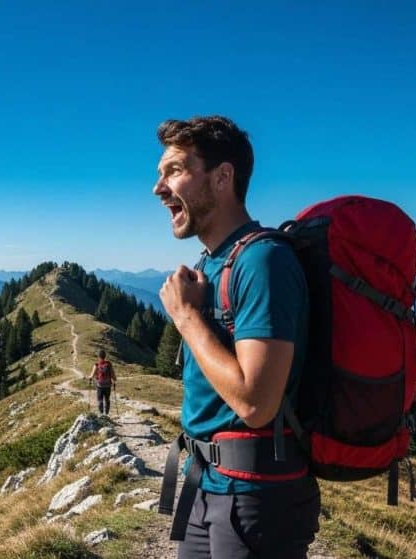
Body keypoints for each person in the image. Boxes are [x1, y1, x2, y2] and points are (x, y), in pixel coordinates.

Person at [154, 116, 320, 558]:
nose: (158, 188)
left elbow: (255, 403)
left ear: (223, 177)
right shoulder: (212, 265)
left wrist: (186, 318)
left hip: (256, 498)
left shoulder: (263, 262)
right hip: (205, 484)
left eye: (174, 171)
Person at [87, 349, 116, 415]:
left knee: (100, 400)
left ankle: (101, 413)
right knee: (107, 399)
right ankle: (107, 414)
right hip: (108, 385)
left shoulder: (96, 365)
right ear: (105, 356)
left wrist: (90, 378)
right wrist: (114, 380)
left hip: (100, 385)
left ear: (99, 356)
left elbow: (91, 375)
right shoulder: (109, 364)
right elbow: (112, 374)